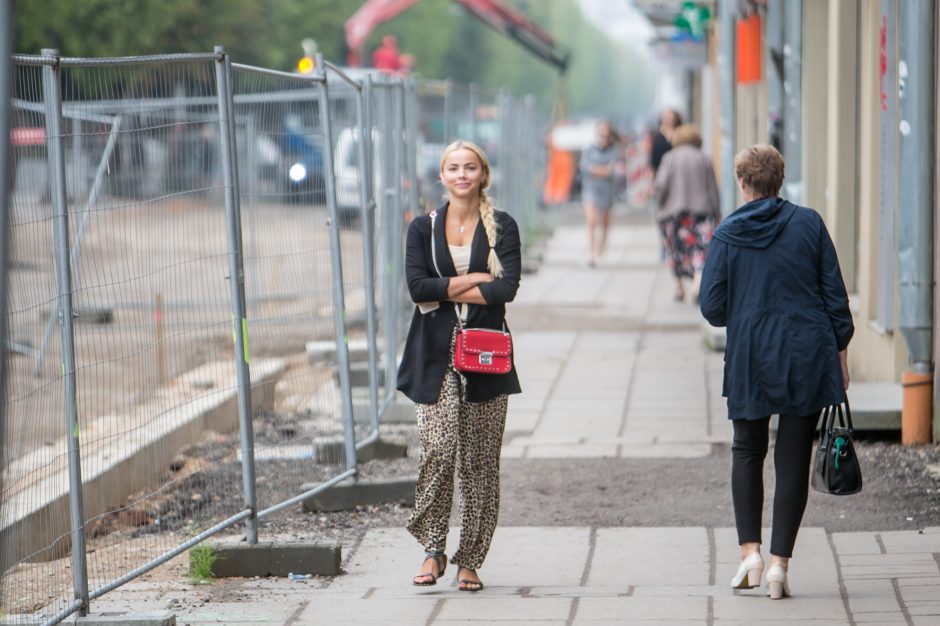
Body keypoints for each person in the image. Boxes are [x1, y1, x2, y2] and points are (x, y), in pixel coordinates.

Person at [699, 144, 854, 600]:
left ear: (742, 183)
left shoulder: (728, 234)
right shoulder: (808, 223)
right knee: (793, 459)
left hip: (750, 355)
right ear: (780, 180)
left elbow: (711, 306)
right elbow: (834, 295)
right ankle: (779, 566)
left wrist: (745, 310)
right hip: (806, 352)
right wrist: (840, 350)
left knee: (746, 450)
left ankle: (750, 553)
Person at [397, 140, 522, 592]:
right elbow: (416, 287)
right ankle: (433, 549)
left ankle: (470, 558)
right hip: (433, 353)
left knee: (481, 461)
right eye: (454, 168)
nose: (462, 174)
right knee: (437, 447)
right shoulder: (422, 227)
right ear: (443, 176)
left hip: (485, 353)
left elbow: (506, 290)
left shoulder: (502, 226)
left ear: (482, 174)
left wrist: (443, 289)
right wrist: (472, 279)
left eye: (470, 167)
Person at [653, 124, 720, 302]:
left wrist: (659, 205)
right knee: (701, 250)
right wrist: (717, 213)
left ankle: (679, 289)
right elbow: (712, 189)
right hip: (701, 213)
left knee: (675, 250)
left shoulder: (669, 158)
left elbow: (660, 185)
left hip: (672, 213)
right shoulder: (704, 158)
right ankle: (697, 285)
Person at [580, 120, 619, 266]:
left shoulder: (613, 150)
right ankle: (590, 251)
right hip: (590, 189)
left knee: (604, 222)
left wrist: (596, 169)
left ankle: (599, 252)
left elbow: (610, 170)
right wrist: (601, 170)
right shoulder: (590, 148)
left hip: (607, 190)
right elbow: (585, 168)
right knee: (591, 221)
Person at [649, 107, 682, 175]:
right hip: (660, 168)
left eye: (671, 118)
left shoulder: (679, 132)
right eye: (667, 118)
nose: (670, 120)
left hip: (676, 168)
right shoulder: (656, 135)